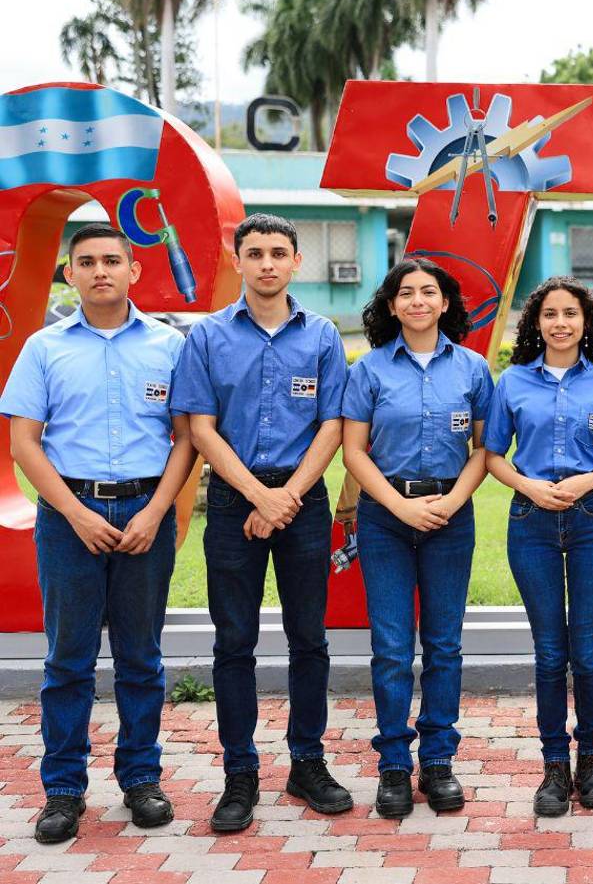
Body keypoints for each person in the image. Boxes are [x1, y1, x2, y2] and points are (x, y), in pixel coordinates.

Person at [0, 224, 196, 842]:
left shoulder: (169, 345)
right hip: (68, 517)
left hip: (145, 514)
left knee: (141, 658)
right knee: (68, 660)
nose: (101, 270)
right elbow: (24, 442)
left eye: (113, 260)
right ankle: (63, 790)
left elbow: (188, 438)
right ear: (70, 274)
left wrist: (155, 511)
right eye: (86, 262)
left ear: (134, 271)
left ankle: (141, 779)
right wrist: (77, 514)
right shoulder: (44, 348)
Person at [171, 213, 350, 831]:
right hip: (231, 503)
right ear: (238, 261)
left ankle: (307, 763)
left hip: (302, 504)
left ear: (296, 261)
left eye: (279, 252)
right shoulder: (208, 337)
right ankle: (239, 774)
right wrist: (256, 497)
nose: (267, 263)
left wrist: (287, 498)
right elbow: (199, 428)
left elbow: (333, 425)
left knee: (310, 639)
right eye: (255, 253)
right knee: (234, 644)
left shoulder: (323, 335)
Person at [341, 258, 493, 817]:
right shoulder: (369, 370)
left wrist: (452, 501)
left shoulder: (473, 369)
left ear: (446, 303)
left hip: (451, 517)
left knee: (445, 645)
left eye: (429, 292)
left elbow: (485, 450)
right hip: (385, 517)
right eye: (406, 293)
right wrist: (400, 506)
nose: (418, 302)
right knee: (391, 648)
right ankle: (393, 766)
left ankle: (438, 761)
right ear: (391, 305)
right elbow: (353, 451)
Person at [485, 277, 593, 817]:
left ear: (586, 321)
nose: (561, 323)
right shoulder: (513, 383)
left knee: (587, 652)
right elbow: (494, 454)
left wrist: (589, 482)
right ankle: (553, 767)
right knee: (549, 653)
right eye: (550, 314)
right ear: (536, 323)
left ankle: (591, 762)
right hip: (531, 520)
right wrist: (529, 485)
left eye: (571, 313)